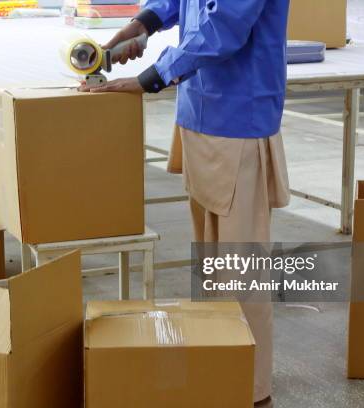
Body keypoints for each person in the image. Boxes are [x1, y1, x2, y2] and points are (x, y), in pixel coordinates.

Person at [80, 1, 290, 405]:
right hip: (199, 112)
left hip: (239, 118)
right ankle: (219, 364)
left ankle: (250, 387)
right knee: (211, 267)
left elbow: (224, 27)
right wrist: (141, 24)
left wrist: (153, 75)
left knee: (239, 270)